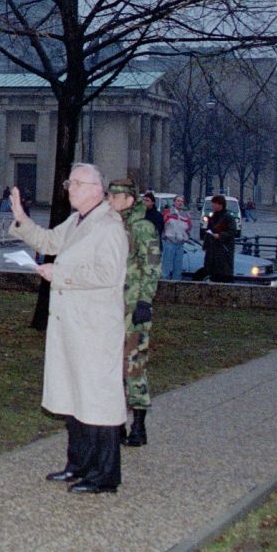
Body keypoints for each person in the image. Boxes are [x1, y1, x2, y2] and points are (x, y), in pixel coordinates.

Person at [9, 164, 127, 494]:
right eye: (69, 182)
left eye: (75, 183)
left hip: (95, 328)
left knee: (98, 401)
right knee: (76, 398)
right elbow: (48, 241)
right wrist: (21, 216)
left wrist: (59, 276)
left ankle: (104, 475)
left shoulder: (109, 226)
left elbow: (108, 275)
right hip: (73, 326)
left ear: (95, 188)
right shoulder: (78, 221)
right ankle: (77, 464)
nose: (69, 188)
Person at [107, 179, 161, 448]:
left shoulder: (143, 227)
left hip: (134, 308)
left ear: (129, 199)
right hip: (113, 308)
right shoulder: (115, 224)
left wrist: (145, 302)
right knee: (114, 368)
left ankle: (138, 426)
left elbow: (151, 266)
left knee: (134, 366)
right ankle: (116, 424)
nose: (110, 201)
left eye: (115, 197)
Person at [201, 195, 234, 284]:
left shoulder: (228, 217)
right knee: (212, 273)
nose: (212, 206)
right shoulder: (213, 216)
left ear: (220, 204)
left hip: (223, 250)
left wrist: (220, 235)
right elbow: (209, 230)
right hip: (212, 250)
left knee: (223, 273)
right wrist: (206, 245)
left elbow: (231, 232)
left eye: (214, 204)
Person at [160, 195, 192, 281]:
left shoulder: (186, 215)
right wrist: (165, 237)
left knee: (178, 267)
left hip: (180, 244)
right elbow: (162, 226)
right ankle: (164, 284)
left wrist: (185, 238)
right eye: (178, 201)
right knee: (166, 266)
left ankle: (176, 285)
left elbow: (189, 228)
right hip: (169, 242)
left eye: (182, 201)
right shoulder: (167, 213)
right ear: (174, 202)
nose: (180, 203)